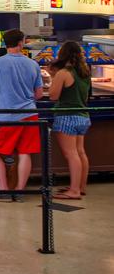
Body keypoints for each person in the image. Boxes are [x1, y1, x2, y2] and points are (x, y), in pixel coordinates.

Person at [0, 29, 43, 202]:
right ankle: (20, 191)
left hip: (6, 115)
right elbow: (38, 94)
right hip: (30, 115)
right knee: (25, 153)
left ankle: (3, 190)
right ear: (21, 42)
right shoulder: (33, 64)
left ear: (4, 43)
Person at [48, 41, 91, 200]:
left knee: (71, 154)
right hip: (83, 116)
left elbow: (53, 95)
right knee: (80, 152)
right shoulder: (85, 72)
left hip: (67, 116)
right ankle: (80, 186)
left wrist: (53, 76)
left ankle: (73, 191)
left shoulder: (63, 73)